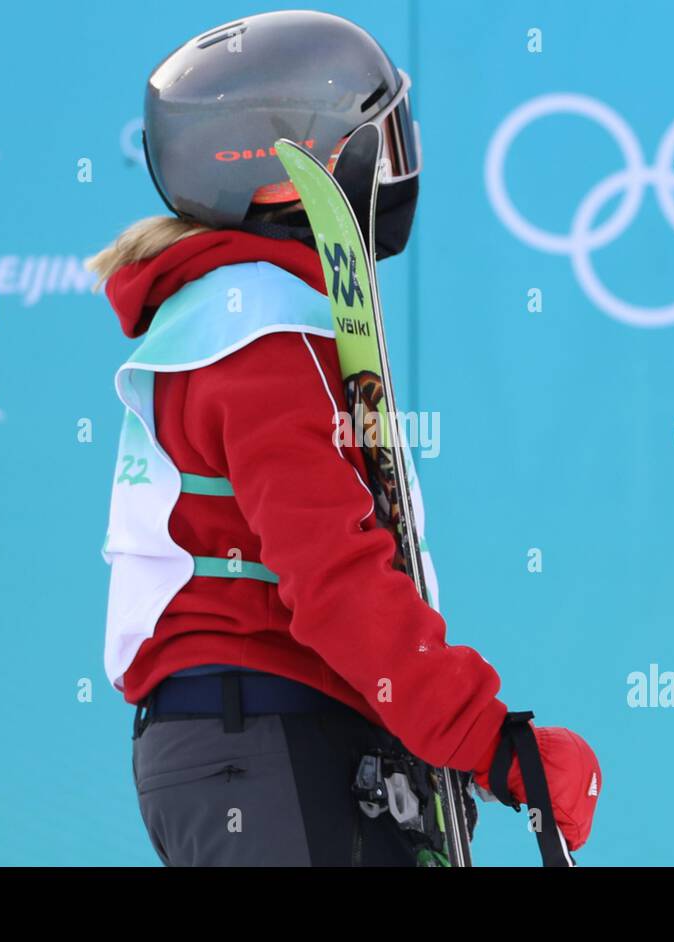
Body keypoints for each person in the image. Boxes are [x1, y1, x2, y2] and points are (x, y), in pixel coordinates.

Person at [88, 9, 601, 867]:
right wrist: (492, 742)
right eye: (383, 142)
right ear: (295, 170)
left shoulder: (222, 318)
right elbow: (332, 579)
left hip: (243, 744)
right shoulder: (262, 343)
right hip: (266, 744)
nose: (399, 173)